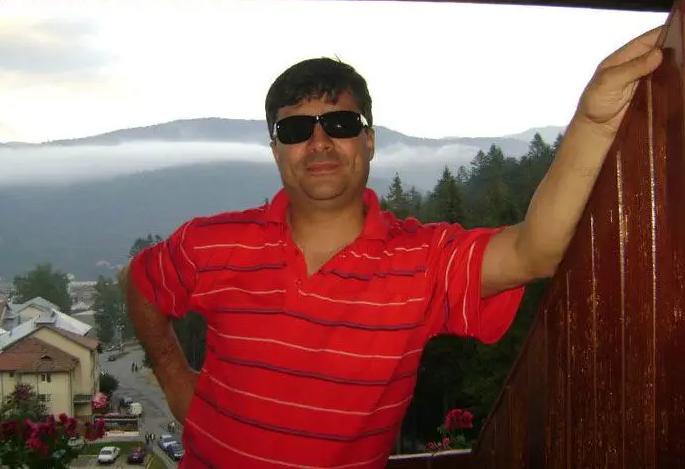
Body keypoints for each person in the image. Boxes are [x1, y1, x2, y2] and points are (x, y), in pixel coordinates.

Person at [121, 26, 663, 468]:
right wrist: (173, 375)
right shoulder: (211, 243)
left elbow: (534, 251)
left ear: (370, 140)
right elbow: (139, 282)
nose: (319, 142)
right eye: (295, 130)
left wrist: (593, 122)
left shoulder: (421, 261)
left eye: (340, 123)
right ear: (276, 151)